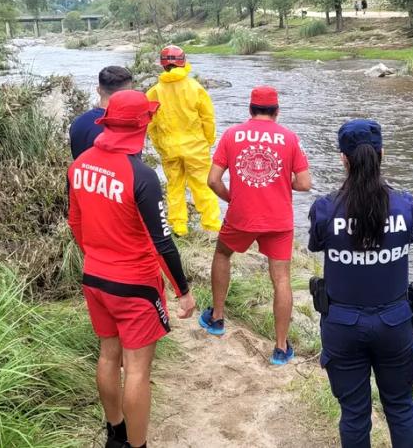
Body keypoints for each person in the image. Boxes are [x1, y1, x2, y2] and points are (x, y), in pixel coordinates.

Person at [68, 90, 197, 448]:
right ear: (143, 124)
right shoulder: (141, 175)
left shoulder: (78, 166)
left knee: (108, 355)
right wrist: (183, 291)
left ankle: (115, 434)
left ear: (107, 122)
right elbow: (162, 242)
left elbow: (75, 223)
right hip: (136, 286)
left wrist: (97, 255)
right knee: (138, 369)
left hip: (95, 278)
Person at [307, 119, 413, 448]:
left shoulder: (326, 209)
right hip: (395, 323)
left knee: (354, 414)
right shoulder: (406, 206)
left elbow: (317, 244)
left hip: (343, 325)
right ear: (382, 153)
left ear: (343, 159)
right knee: (401, 408)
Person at [200, 86, 312, 365]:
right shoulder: (289, 137)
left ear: (250, 109)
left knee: (223, 254)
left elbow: (213, 180)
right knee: (282, 279)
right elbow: (305, 183)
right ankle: (280, 347)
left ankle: (217, 318)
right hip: (278, 219)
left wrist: (233, 197)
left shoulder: (231, 135)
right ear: (277, 111)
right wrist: (280, 181)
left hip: (241, 215)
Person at [146, 45, 221, 237]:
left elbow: (150, 124)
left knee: (174, 186)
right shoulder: (196, 88)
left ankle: (179, 227)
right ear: (184, 62)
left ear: (163, 66)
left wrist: (159, 145)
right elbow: (208, 119)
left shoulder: (154, 92)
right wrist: (208, 141)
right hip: (196, 148)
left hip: (169, 148)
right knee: (203, 186)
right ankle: (211, 226)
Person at [69, 66, 133, 160]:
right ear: (128, 94)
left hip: (80, 173)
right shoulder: (127, 128)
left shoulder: (77, 122)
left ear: (98, 90)